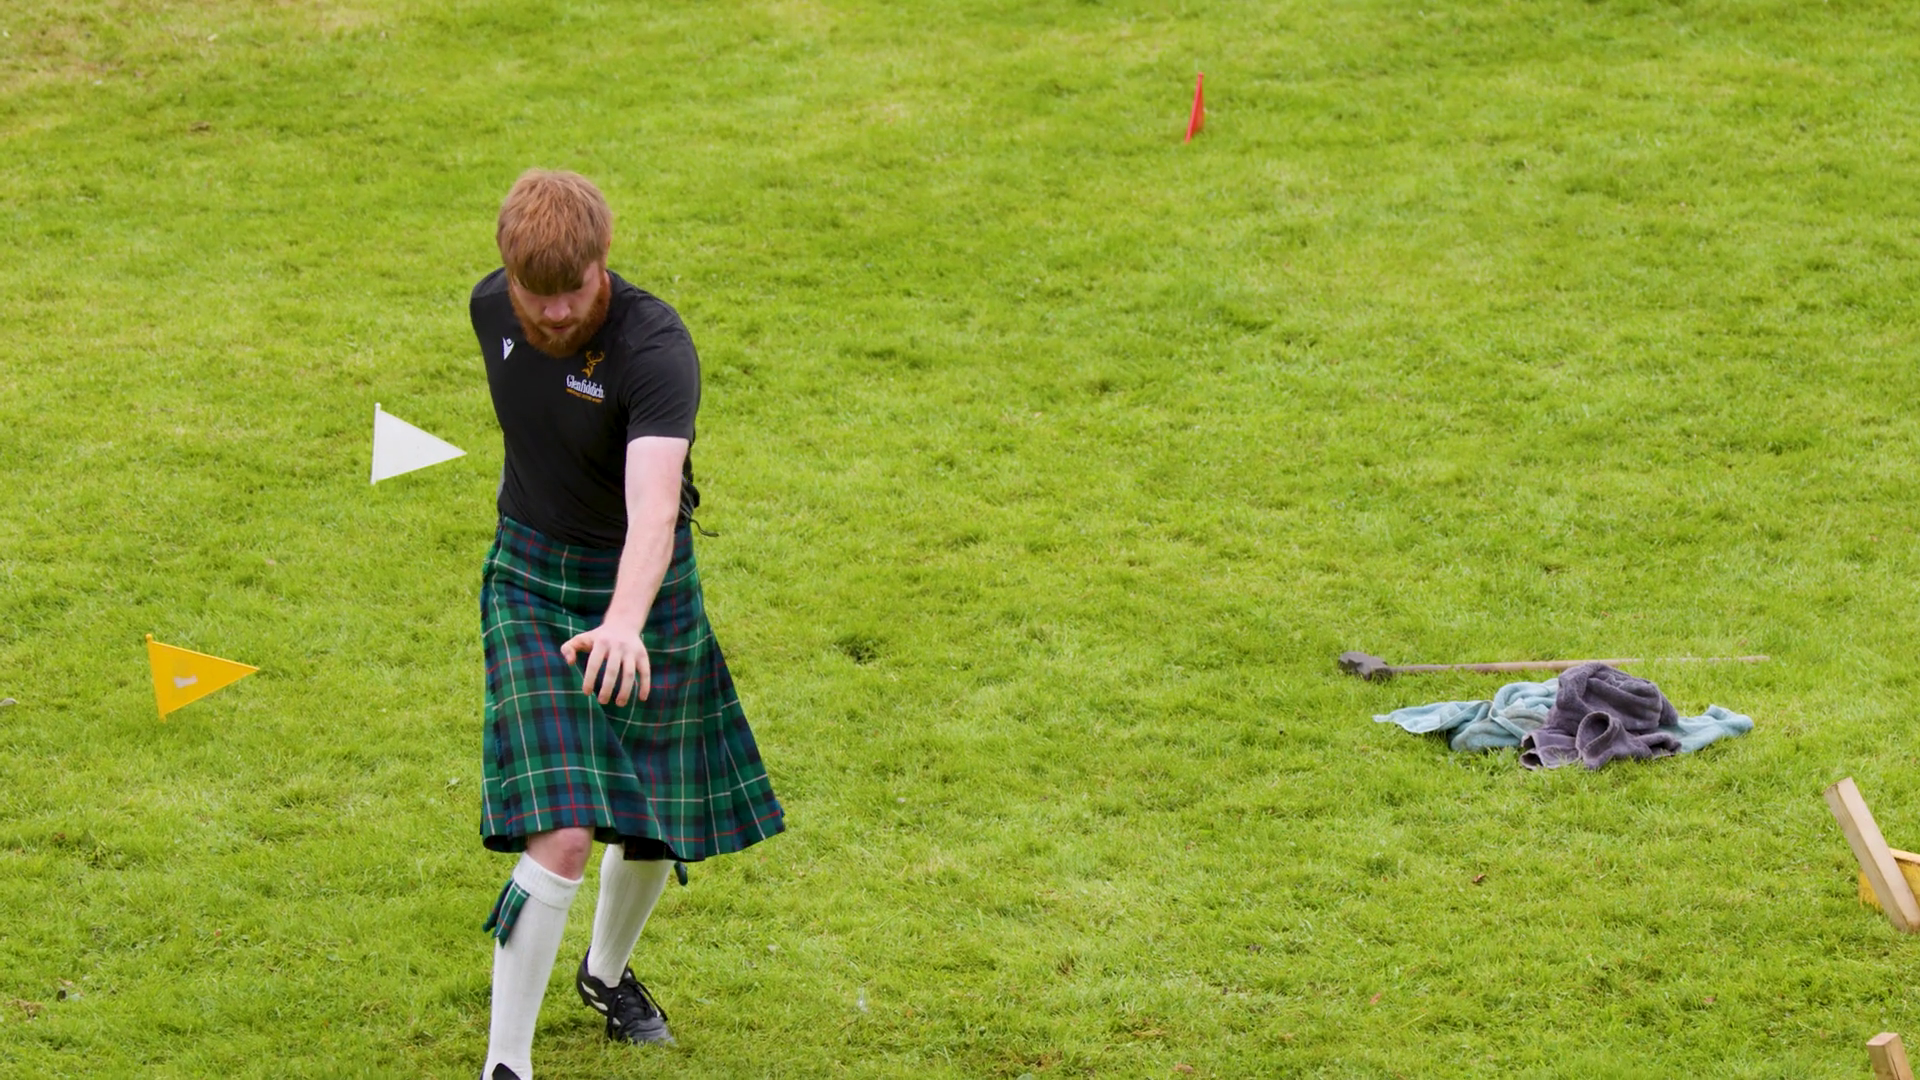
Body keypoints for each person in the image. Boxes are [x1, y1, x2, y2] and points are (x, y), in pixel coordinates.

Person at [468, 168, 784, 1080]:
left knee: (654, 814)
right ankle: (506, 1067)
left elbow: (653, 508)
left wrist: (624, 621)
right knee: (563, 831)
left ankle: (604, 976)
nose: (555, 312)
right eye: (536, 294)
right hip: (531, 581)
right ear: (507, 273)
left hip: (641, 588)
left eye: (572, 291)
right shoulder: (490, 309)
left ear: (603, 260)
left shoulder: (654, 348)